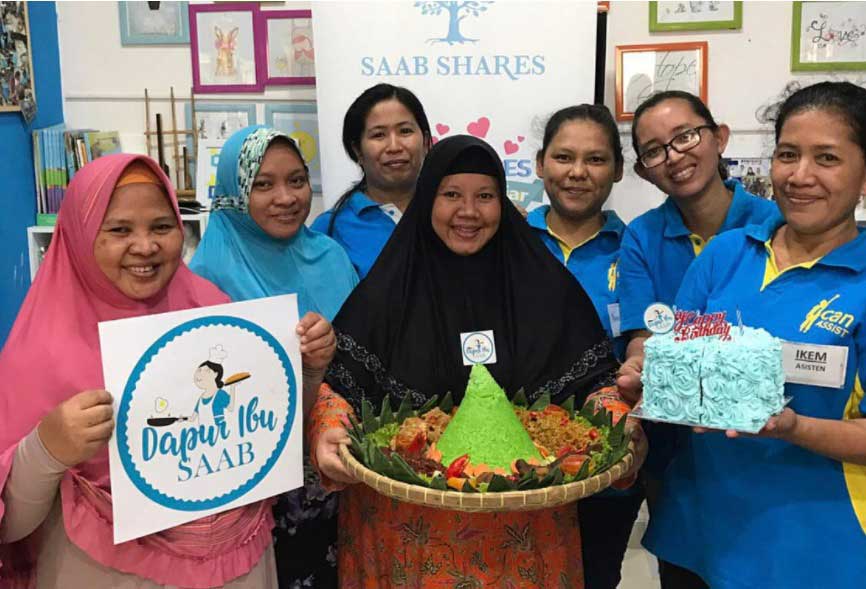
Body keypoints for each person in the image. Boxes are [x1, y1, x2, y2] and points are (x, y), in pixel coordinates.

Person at [309, 135, 643, 588]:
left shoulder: (545, 290)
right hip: (407, 536)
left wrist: (620, 422)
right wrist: (327, 430)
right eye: (451, 195)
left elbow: (594, 385)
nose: (468, 211)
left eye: (485, 196)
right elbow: (338, 389)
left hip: (523, 537)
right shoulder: (388, 293)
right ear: (427, 200)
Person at [0, 155, 291, 587]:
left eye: (161, 226)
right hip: (101, 571)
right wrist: (46, 449)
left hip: (238, 563)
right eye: (119, 230)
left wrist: (304, 371)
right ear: (80, 234)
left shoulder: (213, 313)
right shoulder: (40, 352)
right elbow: (12, 525)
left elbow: (263, 437)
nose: (145, 246)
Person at [644, 81, 866, 588]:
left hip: (813, 552)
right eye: (788, 154)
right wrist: (651, 378)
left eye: (827, 158)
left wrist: (794, 427)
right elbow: (683, 361)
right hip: (696, 538)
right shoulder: (725, 255)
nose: (800, 176)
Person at [190, 125, 357, 588]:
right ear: (234, 193)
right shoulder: (204, 277)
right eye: (263, 184)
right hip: (252, 488)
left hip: (338, 470)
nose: (286, 198)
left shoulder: (331, 256)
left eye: (297, 181)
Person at [529, 104, 641, 589]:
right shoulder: (508, 240)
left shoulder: (636, 247)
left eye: (595, 159)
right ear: (540, 164)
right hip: (519, 457)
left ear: (617, 169)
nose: (578, 172)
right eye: (564, 157)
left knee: (595, 574)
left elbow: (643, 337)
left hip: (605, 454)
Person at [310, 83, 432, 278]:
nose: (394, 146)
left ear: (425, 142)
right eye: (379, 135)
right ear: (357, 150)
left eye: (405, 131)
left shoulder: (450, 214)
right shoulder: (330, 228)